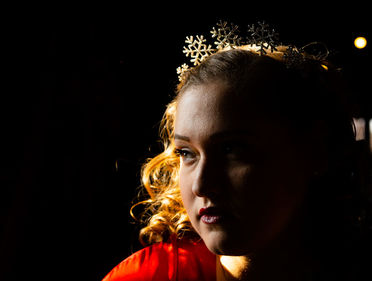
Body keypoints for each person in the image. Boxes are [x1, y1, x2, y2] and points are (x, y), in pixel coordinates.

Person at [103, 22, 372, 281]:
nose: (202, 184)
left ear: (314, 151)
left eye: (232, 149)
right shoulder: (152, 275)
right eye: (187, 153)